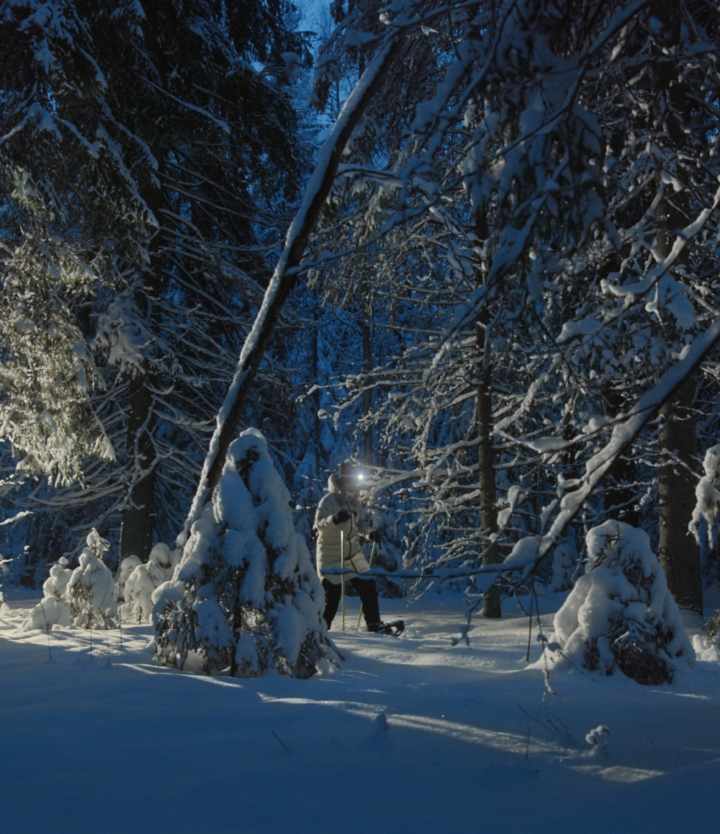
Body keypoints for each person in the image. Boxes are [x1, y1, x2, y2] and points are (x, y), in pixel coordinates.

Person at [315, 462, 401, 634]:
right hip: (331, 554)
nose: (354, 486)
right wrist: (335, 519)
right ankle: (321, 630)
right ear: (343, 482)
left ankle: (374, 624)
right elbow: (319, 525)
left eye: (355, 482)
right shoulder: (328, 501)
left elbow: (359, 525)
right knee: (332, 596)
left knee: (368, 585)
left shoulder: (355, 503)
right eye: (351, 482)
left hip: (353, 553)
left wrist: (369, 533)